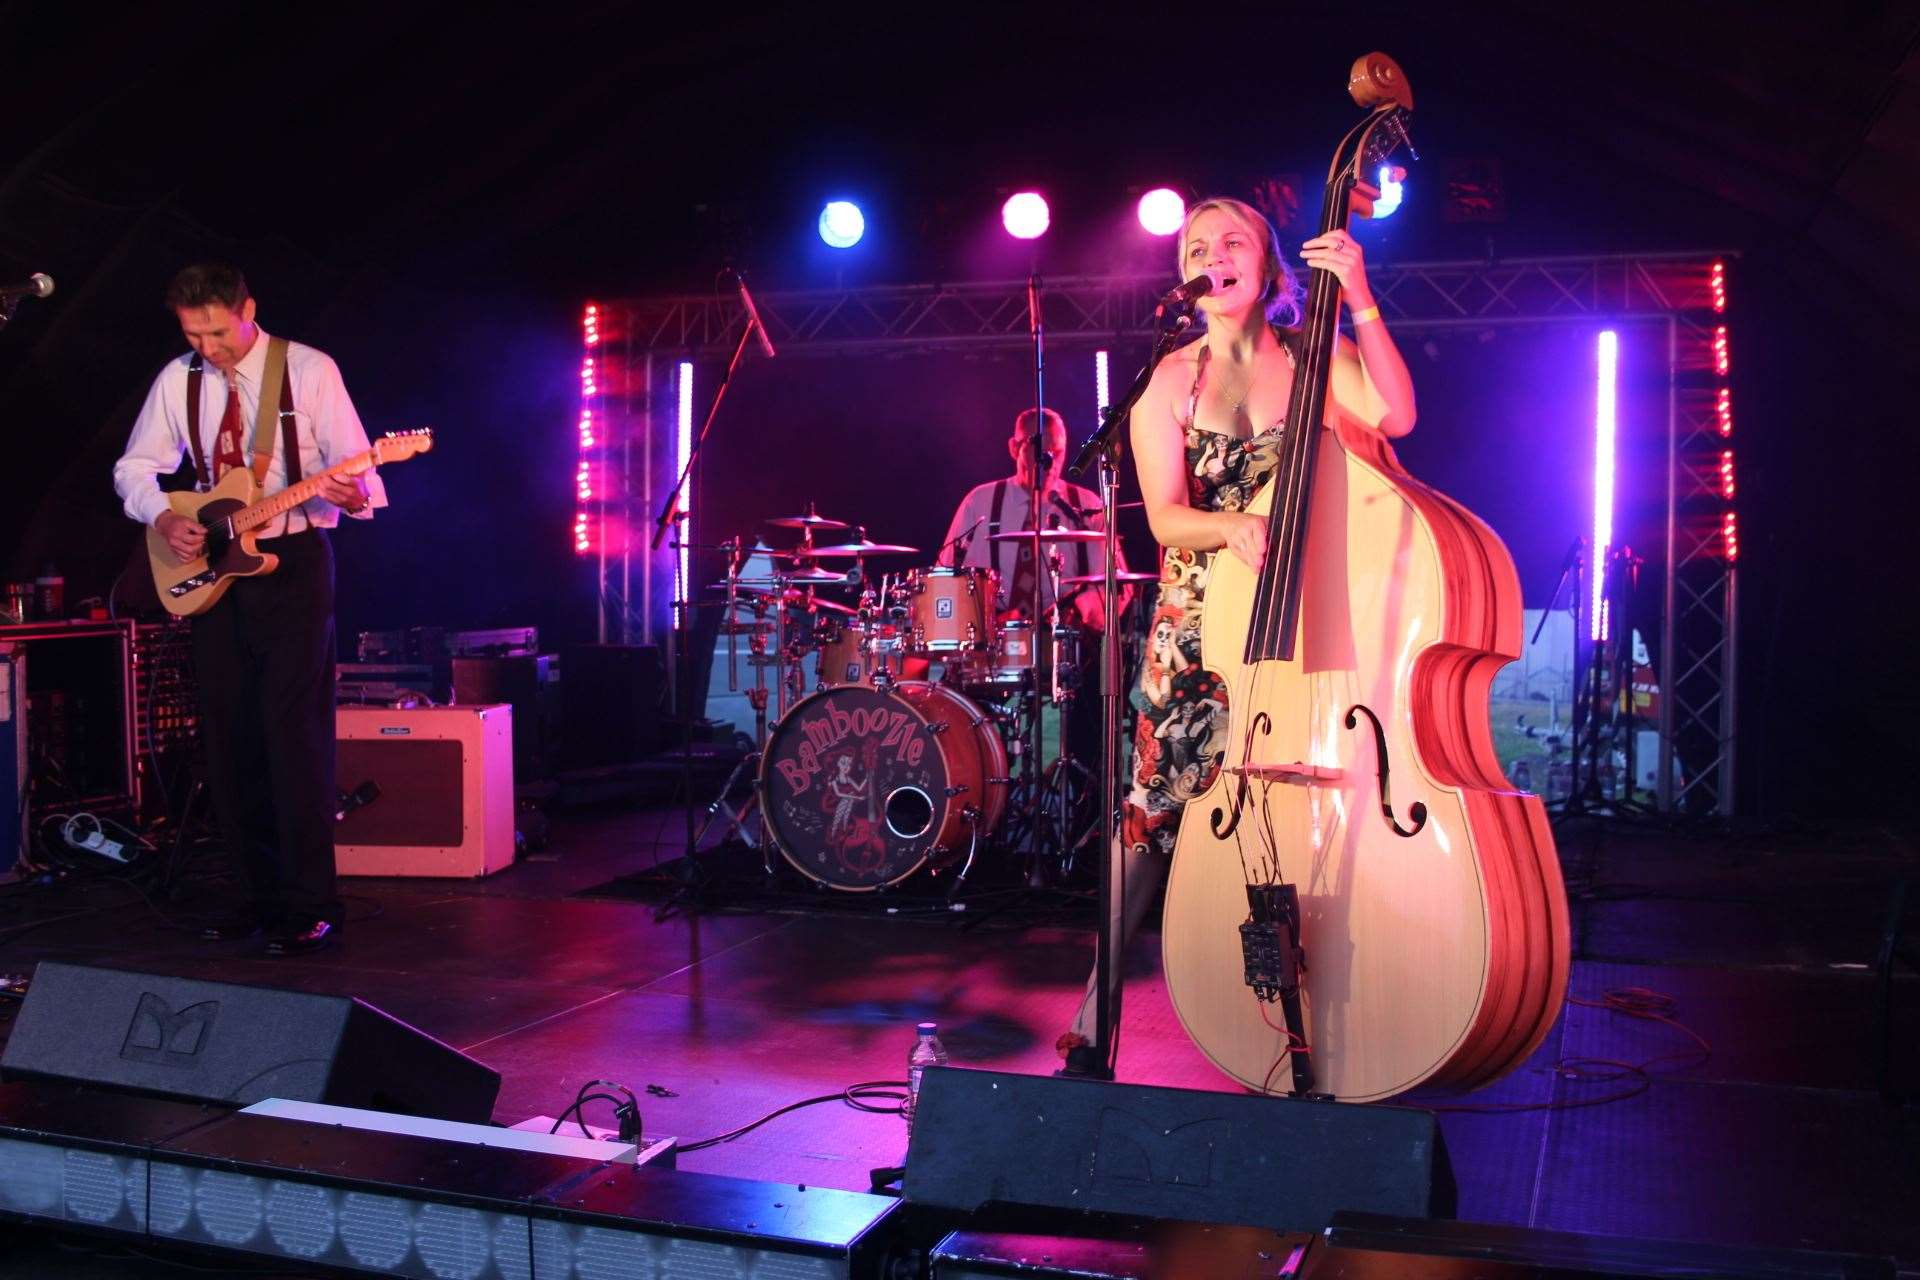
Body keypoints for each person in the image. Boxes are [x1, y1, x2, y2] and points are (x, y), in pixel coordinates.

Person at [1058, 196, 1416, 1062]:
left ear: (1268, 269)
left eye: (1232, 242)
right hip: (1197, 625)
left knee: (1308, 799)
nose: (1212, 255)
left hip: (1301, 614)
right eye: (1195, 246)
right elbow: (1168, 519)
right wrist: (1230, 527)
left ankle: (1332, 1003)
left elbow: (1396, 416)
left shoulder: (1312, 353)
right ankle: (1095, 1009)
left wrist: (1361, 294)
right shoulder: (1168, 380)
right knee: (1150, 815)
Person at [113, 264, 387, 956]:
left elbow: (358, 467)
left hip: (292, 564)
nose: (209, 347)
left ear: (248, 311)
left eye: (217, 331)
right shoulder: (179, 378)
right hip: (214, 564)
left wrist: (353, 494)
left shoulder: (308, 369)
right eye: (193, 334)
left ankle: (311, 901)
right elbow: (133, 468)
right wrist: (162, 516)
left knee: (292, 732)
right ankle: (253, 896)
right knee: (229, 736)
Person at [937, 407, 1127, 633]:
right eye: (1039, 451)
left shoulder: (1088, 506)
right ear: (1014, 448)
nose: (1049, 461)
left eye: (1056, 452)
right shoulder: (979, 502)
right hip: (993, 641)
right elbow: (944, 581)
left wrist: (1080, 610)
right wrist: (983, 620)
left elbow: (1117, 585)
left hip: (1068, 642)